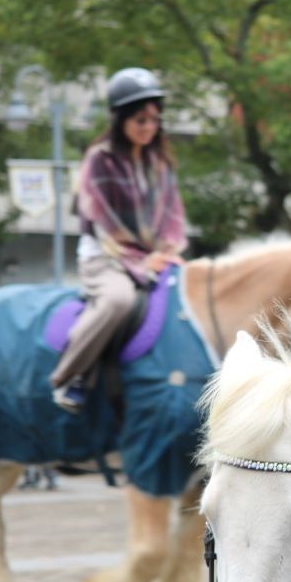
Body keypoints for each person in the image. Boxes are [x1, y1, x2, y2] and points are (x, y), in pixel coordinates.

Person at [50, 67, 187, 412]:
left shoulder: (160, 162)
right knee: (117, 300)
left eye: (154, 119)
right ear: (121, 118)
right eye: (140, 119)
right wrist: (143, 262)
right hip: (105, 258)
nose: (148, 126)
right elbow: (105, 225)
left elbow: (173, 217)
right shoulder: (99, 160)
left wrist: (169, 252)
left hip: (155, 256)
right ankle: (70, 377)